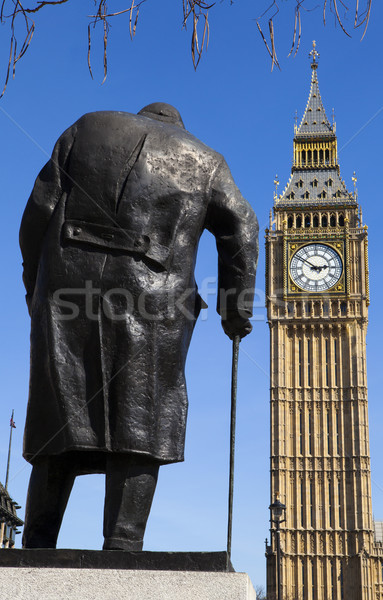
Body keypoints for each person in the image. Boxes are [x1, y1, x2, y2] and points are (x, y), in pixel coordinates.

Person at [20, 103, 258, 550]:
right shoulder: (205, 159)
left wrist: (35, 280)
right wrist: (235, 308)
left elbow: (37, 210)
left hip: (66, 286)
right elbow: (242, 229)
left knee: (61, 411)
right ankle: (124, 543)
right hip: (154, 296)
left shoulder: (86, 125)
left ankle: (36, 541)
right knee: (141, 412)